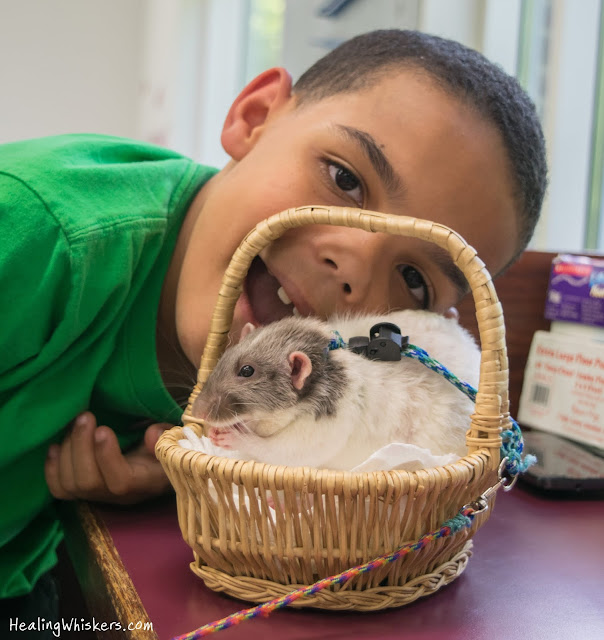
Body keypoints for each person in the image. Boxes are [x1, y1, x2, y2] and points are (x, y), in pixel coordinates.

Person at [0, 29, 547, 609]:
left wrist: (172, 477)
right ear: (254, 115)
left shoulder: (297, 379)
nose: (355, 269)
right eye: (345, 178)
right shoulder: (37, 234)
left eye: (413, 278)